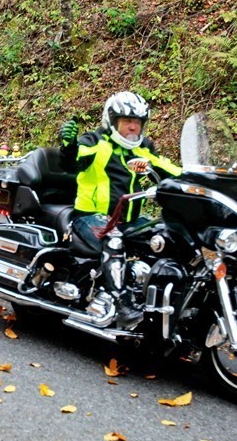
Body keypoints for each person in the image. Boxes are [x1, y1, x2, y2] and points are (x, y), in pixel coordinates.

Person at [59, 91, 181, 329]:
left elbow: (172, 171)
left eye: (137, 122)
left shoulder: (143, 149)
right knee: (113, 239)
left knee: (166, 235)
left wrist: (204, 180)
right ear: (112, 121)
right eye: (127, 121)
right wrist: (69, 146)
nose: (133, 127)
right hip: (90, 217)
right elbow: (73, 163)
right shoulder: (95, 142)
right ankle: (123, 304)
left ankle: (160, 299)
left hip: (130, 220)